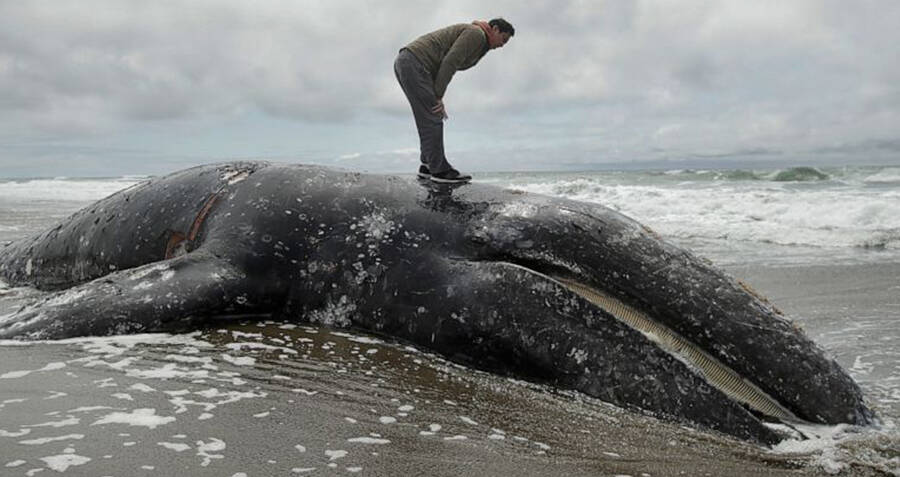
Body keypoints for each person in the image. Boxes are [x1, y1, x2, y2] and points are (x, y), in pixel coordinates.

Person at [394, 18, 515, 183]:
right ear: (494, 29)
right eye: (504, 39)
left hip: (410, 63)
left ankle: (427, 166)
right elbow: (450, 61)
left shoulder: (480, 41)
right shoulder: (476, 34)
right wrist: (438, 95)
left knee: (428, 117)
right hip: (414, 63)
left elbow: (446, 62)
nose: (502, 45)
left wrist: (436, 95)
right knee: (433, 116)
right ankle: (439, 171)